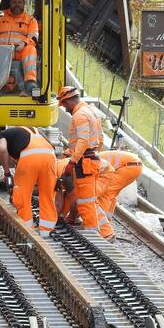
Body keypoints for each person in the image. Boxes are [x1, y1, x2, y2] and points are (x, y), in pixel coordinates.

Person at [58, 86, 108, 238]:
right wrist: (94, 154)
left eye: (64, 104)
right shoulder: (91, 112)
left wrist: (72, 161)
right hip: (90, 159)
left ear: (69, 101)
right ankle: (95, 231)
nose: (65, 109)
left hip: (84, 162)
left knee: (86, 201)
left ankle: (92, 235)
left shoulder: (79, 115)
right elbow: (100, 139)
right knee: (88, 199)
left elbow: (83, 140)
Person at [0, 126, 57, 236]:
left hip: (29, 159)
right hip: (50, 158)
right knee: (47, 194)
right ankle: (47, 231)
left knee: (22, 196)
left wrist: (6, 172)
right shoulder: (37, 131)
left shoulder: (3, 135)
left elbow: (2, 149)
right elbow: (51, 145)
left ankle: (27, 230)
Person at [0, 0, 40, 95]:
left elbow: (33, 37)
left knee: (31, 48)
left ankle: (30, 82)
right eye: (14, 2)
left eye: (20, 2)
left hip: (21, 52)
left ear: (24, 4)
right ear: (9, 3)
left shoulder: (31, 20)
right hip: (1, 52)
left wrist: (24, 43)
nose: (17, 5)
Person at [55, 155, 115, 239]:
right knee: (80, 200)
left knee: (86, 202)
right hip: (90, 172)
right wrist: (61, 216)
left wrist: (69, 218)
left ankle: (106, 233)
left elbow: (72, 198)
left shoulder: (61, 173)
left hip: (102, 173)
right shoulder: (55, 169)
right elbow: (62, 197)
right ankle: (78, 221)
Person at [97, 150, 143, 222]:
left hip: (128, 167)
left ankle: (100, 220)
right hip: (136, 167)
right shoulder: (100, 156)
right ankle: (107, 217)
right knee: (113, 193)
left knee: (106, 193)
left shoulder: (96, 160)